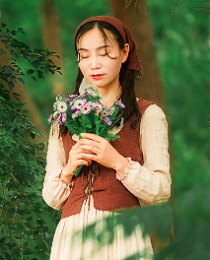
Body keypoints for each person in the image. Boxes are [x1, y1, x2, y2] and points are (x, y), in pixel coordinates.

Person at [42, 16, 171, 260]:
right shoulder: (63, 117)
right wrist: (69, 169)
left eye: (104, 53)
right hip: (72, 240)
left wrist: (118, 163)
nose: (94, 64)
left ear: (124, 53)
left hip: (122, 236)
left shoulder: (147, 114)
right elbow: (51, 196)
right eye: (85, 55)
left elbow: (161, 190)